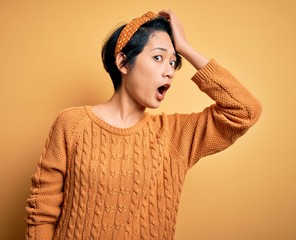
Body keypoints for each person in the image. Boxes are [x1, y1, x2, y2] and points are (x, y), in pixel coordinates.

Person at [25, 10, 262, 240]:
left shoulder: (175, 135)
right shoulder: (72, 123)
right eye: (158, 57)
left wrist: (186, 49)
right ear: (123, 62)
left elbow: (246, 110)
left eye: (173, 62)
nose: (169, 71)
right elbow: (42, 211)